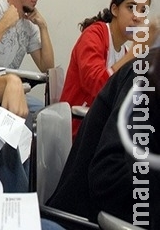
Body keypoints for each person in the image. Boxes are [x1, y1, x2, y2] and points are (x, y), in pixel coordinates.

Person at [47, 35, 159, 227]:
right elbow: (108, 182)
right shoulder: (147, 76)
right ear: (115, 10)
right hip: (87, 218)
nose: (137, 17)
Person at [60, 0, 152, 137]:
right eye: (131, 7)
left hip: (101, 131)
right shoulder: (94, 35)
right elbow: (97, 85)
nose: (137, 17)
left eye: (143, 10)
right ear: (115, 9)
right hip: (76, 131)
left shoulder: (123, 51)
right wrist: (132, 55)